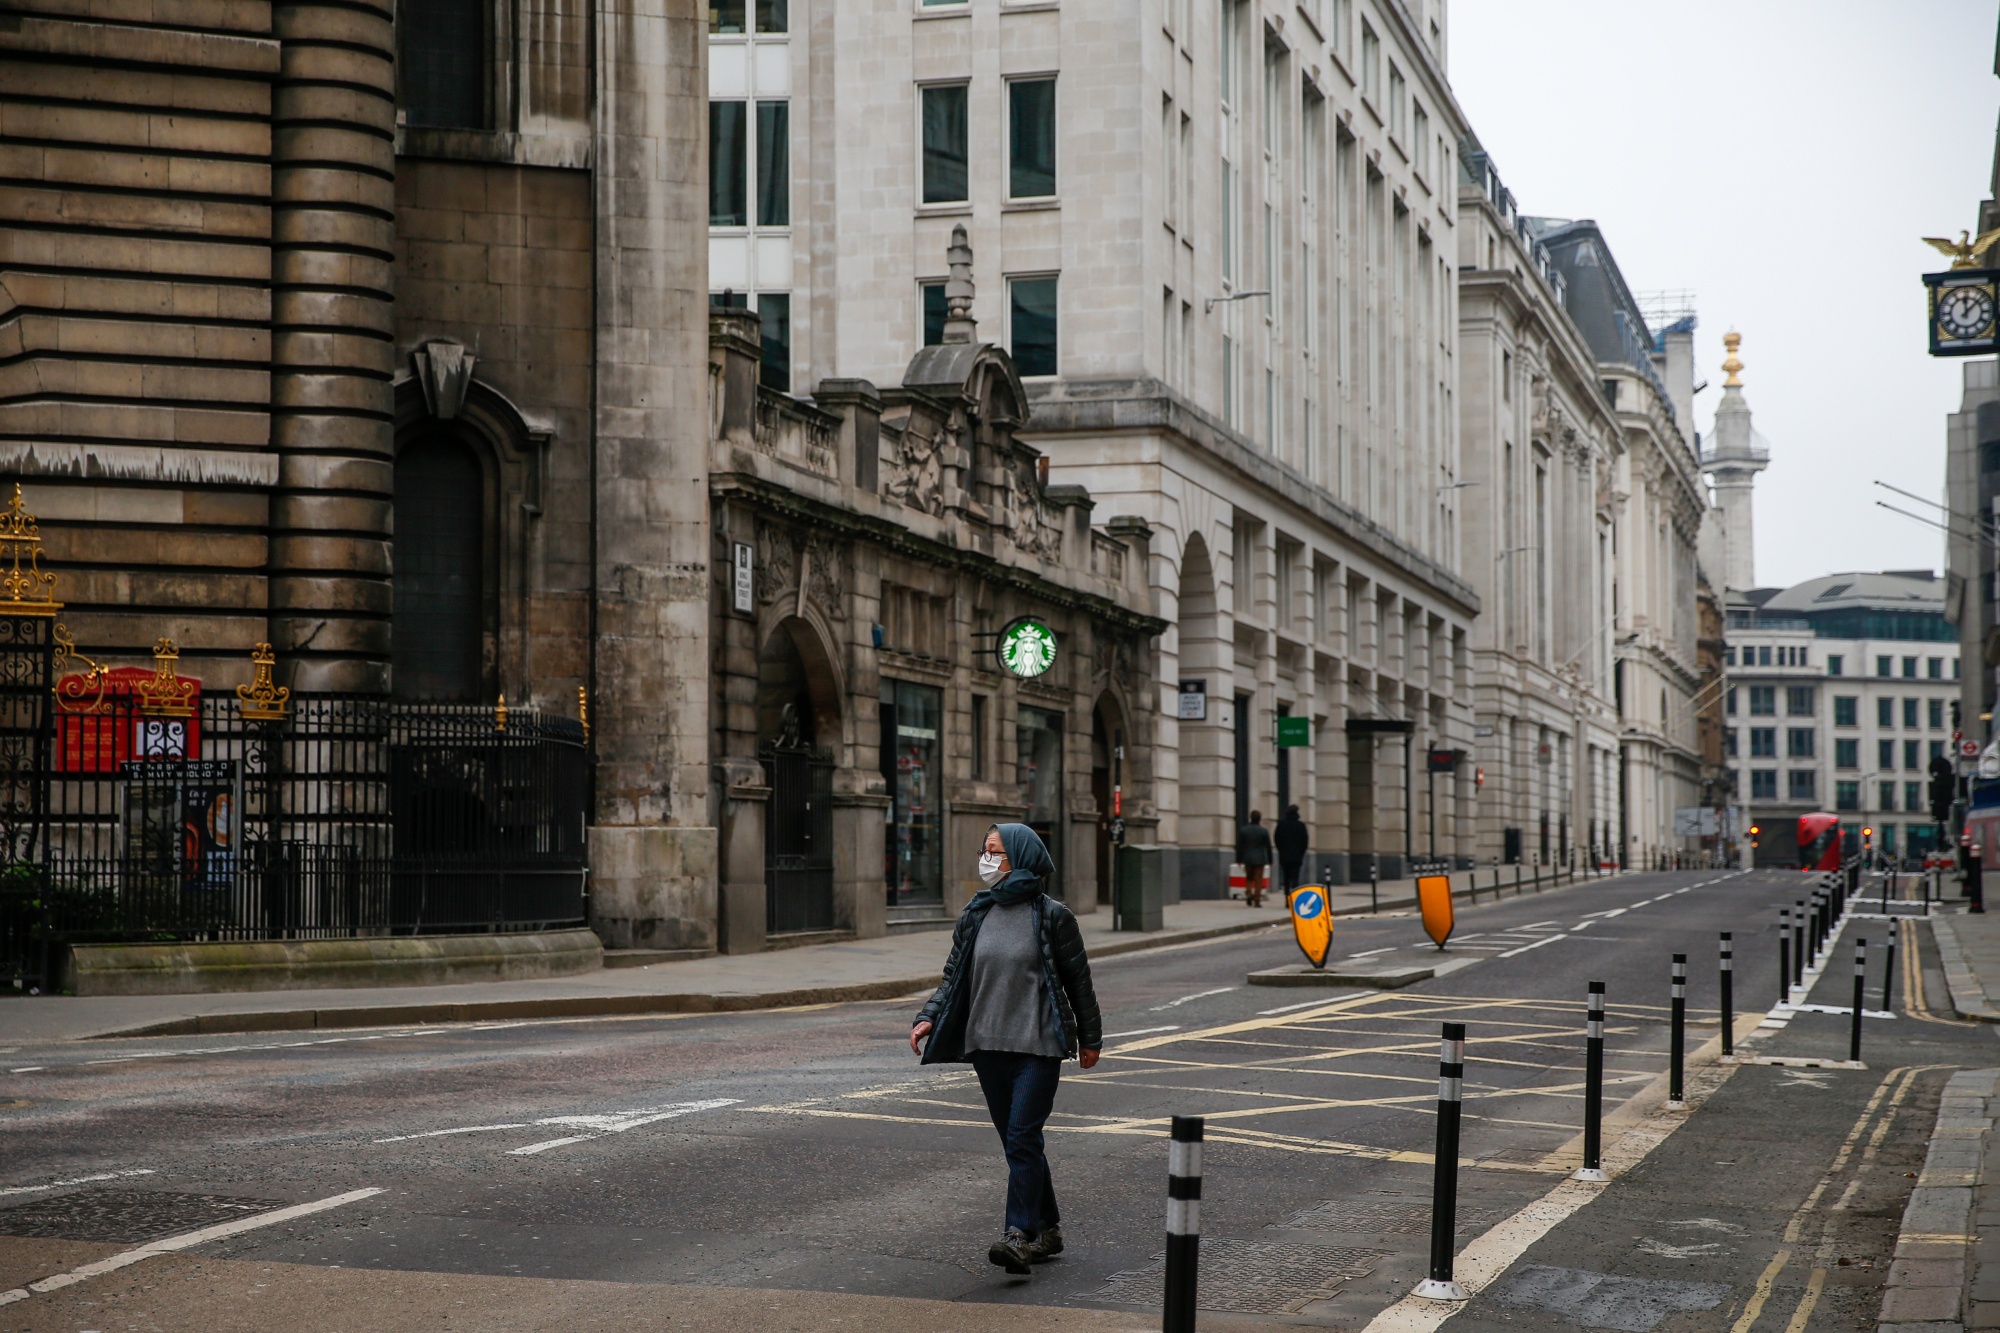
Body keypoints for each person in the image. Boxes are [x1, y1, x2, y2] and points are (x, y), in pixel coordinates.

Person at [910, 823, 1102, 1277]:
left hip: (1037, 1046)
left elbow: (1078, 982)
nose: (986, 858)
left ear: (1021, 857)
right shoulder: (978, 913)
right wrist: (929, 1015)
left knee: (1021, 1138)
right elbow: (953, 976)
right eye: (984, 850)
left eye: (995, 851)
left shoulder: (1053, 916)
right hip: (986, 1044)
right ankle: (1049, 1228)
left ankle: (1018, 1234)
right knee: (1021, 1143)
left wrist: (1090, 1038)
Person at [1237, 808, 1273, 907]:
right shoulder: (1263, 831)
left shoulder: (1244, 830)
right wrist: (1270, 860)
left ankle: (1248, 893)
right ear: (1259, 819)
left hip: (1247, 857)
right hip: (1260, 858)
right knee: (1258, 880)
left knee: (1249, 878)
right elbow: (1268, 847)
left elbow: (1240, 846)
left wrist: (1239, 859)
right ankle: (1257, 900)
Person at [1273, 804, 1309, 900]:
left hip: (1284, 855)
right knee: (1295, 878)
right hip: (1297, 856)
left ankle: (1287, 898)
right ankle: (1295, 898)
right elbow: (1305, 841)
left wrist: (1281, 850)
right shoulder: (1301, 825)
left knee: (1286, 878)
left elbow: (1277, 839)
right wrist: (1301, 853)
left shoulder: (1281, 824)